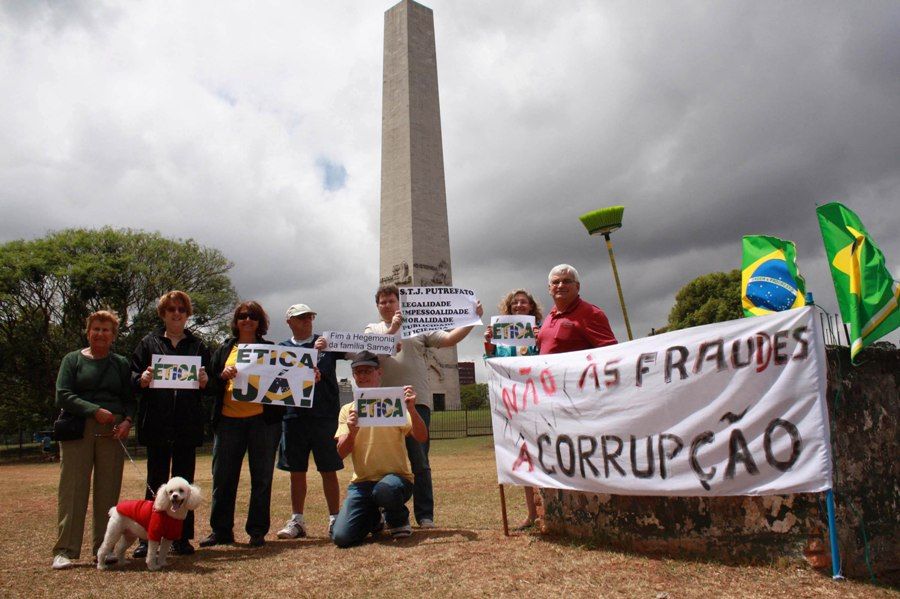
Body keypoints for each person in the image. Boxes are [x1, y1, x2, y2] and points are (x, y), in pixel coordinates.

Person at [364, 283, 482, 528]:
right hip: (383, 405)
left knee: (420, 460)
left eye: (391, 301)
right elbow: (372, 351)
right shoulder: (372, 329)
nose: (386, 305)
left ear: (400, 303)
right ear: (377, 307)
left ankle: (425, 515)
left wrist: (473, 319)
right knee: (387, 460)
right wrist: (394, 328)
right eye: (382, 302)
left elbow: (449, 339)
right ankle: (391, 513)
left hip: (417, 402)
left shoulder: (418, 326)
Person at [52, 310, 136, 570]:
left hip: (112, 430)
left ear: (113, 335)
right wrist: (93, 410)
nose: (100, 334)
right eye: (96, 329)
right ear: (88, 331)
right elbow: (62, 394)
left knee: (108, 491)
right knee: (73, 490)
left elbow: (131, 398)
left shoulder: (121, 363)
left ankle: (104, 548)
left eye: (106, 329)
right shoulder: (72, 360)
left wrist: (127, 422)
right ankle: (65, 550)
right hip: (78, 428)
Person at [130, 290, 210, 558]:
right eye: (171, 309)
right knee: (156, 481)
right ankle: (147, 538)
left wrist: (204, 381)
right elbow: (131, 376)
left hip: (187, 424)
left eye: (182, 310)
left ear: (187, 315)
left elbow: (210, 387)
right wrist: (140, 378)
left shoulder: (198, 346)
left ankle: (181, 538)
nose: (177, 314)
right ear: (163, 314)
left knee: (184, 485)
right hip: (157, 422)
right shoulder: (148, 343)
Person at [200, 301, 283, 548]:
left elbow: (287, 382)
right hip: (228, 421)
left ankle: (257, 531)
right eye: (243, 316)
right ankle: (221, 530)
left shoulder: (270, 349)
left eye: (253, 316)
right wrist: (220, 375)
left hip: (263, 422)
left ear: (260, 322)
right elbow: (210, 387)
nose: (247, 320)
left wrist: (309, 376)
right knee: (223, 478)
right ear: (236, 321)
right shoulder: (225, 349)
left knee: (262, 478)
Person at [331, 351, 428, 547]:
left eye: (367, 370)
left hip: (396, 479)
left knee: (385, 490)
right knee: (341, 537)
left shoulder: (396, 403)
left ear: (379, 372)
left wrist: (412, 410)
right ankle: (374, 519)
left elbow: (421, 436)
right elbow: (340, 453)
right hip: (362, 483)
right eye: (357, 372)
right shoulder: (347, 410)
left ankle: (398, 519)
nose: (363, 376)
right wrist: (351, 432)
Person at [275, 303, 345, 540]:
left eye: (309, 317)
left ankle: (335, 518)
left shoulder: (326, 343)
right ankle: (297, 520)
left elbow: (359, 350)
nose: (306, 321)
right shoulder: (281, 348)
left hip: (324, 416)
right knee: (296, 471)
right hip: (293, 417)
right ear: (289, 322)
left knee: (329, 469)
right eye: (300, 317)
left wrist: (389, 340)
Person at [483, 289, 542, 528]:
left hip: (537, 395)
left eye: (524, 302)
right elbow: (491, 361)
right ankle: (531, 513)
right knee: (524, 453)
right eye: (515, 302)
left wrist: (540, 339)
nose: (519, 305)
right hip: (511, 398)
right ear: (509, 307)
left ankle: (549, 509)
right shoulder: (500, 333)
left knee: (543, 452)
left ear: (531, 307)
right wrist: (488, 343)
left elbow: (546, 358)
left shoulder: (539, 329)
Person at [536, 264, 617, 355]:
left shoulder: (591, 313)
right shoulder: (550, 316)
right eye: (555, 282)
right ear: (549, 288)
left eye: (566, 281)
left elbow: (611, 353)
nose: (560, 285)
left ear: (577, 286)